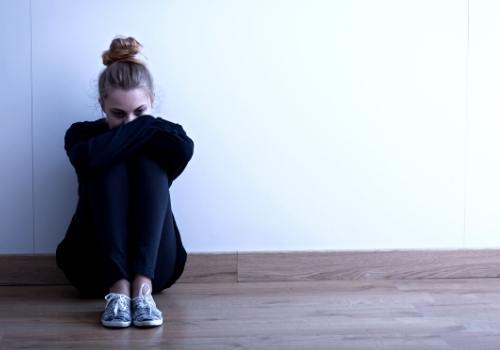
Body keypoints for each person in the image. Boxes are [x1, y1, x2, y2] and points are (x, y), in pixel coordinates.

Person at [55, 36, 194, 329]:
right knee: (109, 162)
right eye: (118, 114)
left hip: (158, 267)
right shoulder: (81, 135)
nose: (129, 122)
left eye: (140, 113)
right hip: (91, 267)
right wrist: (144, 127)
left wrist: (127, 133)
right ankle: (117, 289)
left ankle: (141, 290)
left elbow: (184, 150)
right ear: (102, 104)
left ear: (152, 102)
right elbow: (89, 158)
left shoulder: (170, 137)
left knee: (149, 161)